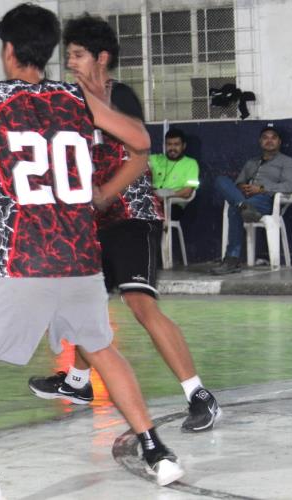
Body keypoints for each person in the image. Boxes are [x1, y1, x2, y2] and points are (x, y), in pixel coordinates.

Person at [0, 5, 184, 499]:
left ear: (8, 50)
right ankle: (156, 452)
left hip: (19, 256)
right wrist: (100, 191)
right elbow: (140, 141)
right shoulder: (75, 95)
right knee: (102, 349)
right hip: (80, 254)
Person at [27, 14, 220, 436]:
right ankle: (77, 382)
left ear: (102, 58)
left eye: (78, 55)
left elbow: (139, 151)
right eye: (68, 56)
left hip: (132, 214)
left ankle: (199, 395)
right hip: (91, 221)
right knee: (82, 303)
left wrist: (105, 194)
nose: (71, 63)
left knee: (140, 303)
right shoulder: (66, 102)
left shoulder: (121, 98)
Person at [211, 124, 292, 275]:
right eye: (265, 137)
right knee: (221, 180)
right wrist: (242, 187)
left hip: (266, 201)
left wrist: (261, 189)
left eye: (273, 138)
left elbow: (289, 186)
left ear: (279, 142)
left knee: (234, 209)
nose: (269, 141)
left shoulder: (287, 161)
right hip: (246, 198)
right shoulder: (251, 162)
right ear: (260, 141)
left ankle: (232, 260)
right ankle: (244, 206)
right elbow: (238, 183)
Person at [150, 128, 200, 220]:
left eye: (176, 144)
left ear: (183, 146)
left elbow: (187, 192)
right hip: (151, 199)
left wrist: (164, 197)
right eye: (169, 144)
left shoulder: (191, 164)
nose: (172, 148)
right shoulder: (155, 159)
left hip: (173, 204)